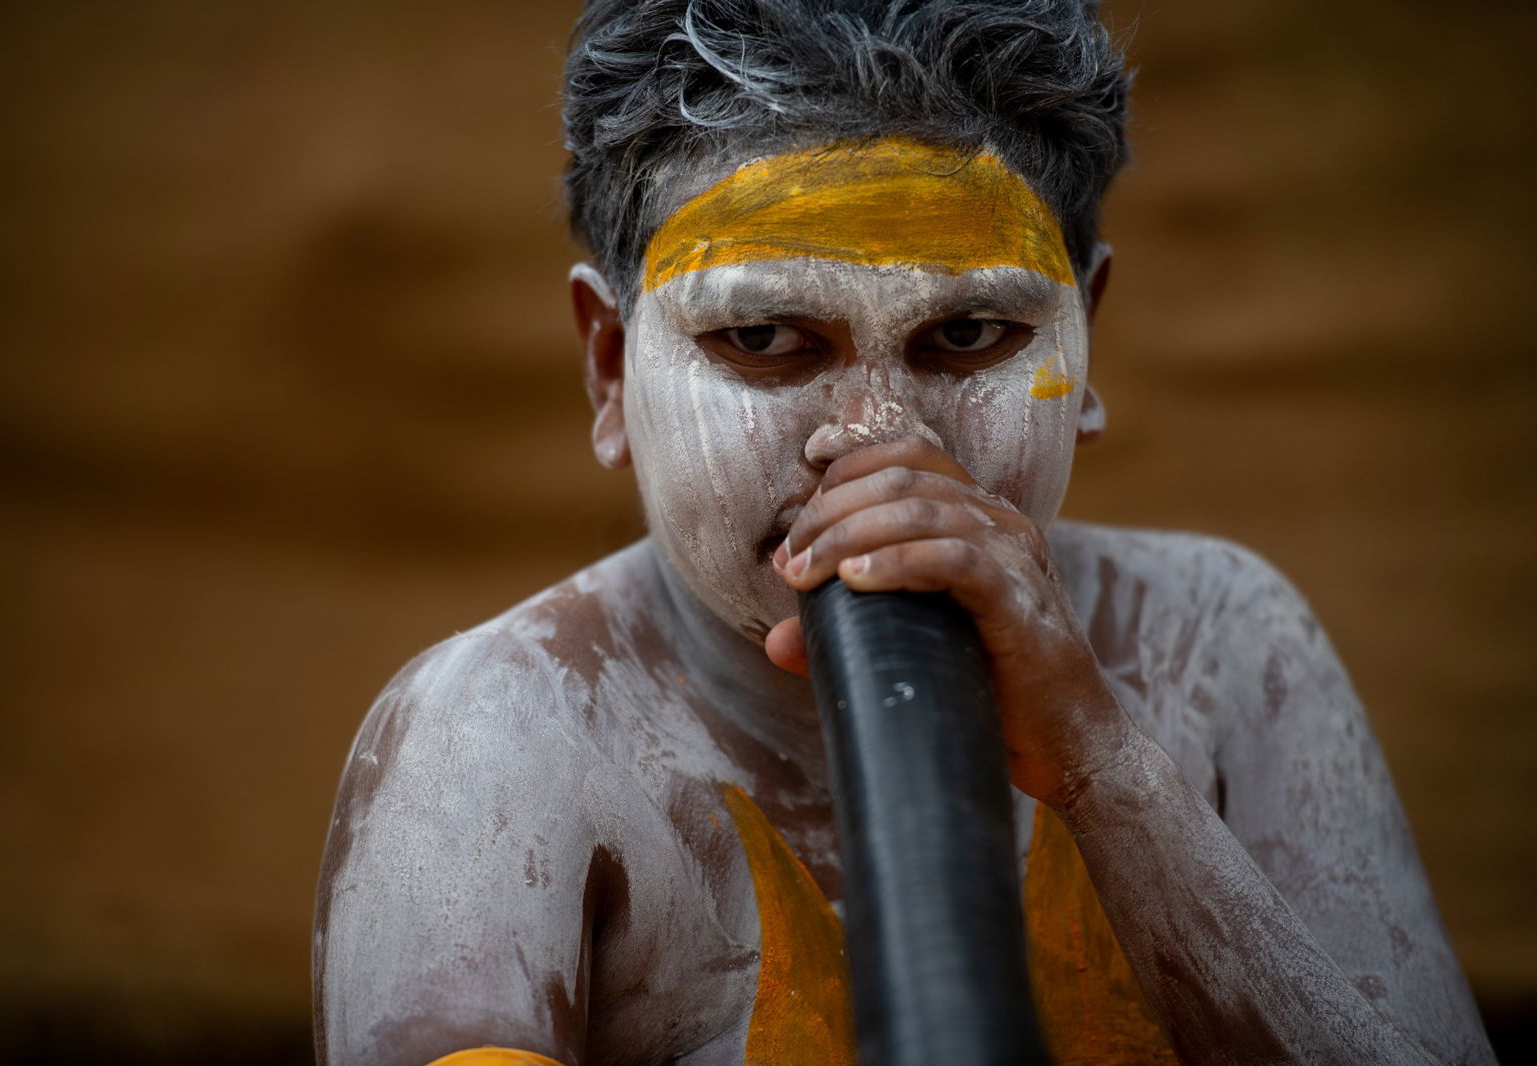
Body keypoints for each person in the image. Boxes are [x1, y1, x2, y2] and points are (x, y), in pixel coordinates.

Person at [313, 1, 1497, 1063]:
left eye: (972, 335)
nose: (878, 442)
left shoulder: (1214, 644)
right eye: (767, 340)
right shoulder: (503, 733)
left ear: (1083, 342)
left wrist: (1100, 761)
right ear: (612, 368)